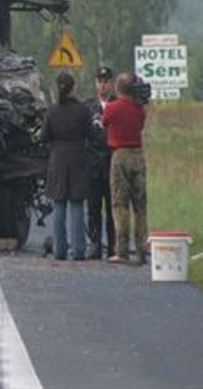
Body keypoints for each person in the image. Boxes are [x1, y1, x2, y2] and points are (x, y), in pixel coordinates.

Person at [40, 72, 94, 261]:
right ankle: (79, 250)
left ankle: (59, 250)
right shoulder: (83, 110)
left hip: (58, 160)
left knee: (59, 203)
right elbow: (91, 134)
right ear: (73, 88)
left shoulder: (52, 111)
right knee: (77, 204)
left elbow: (43, 137)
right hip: (78, 158)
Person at [102, 72, 148, 265]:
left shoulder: (112, 108)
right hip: (138, 155)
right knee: (140, 206)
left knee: (120, 205)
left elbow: (105, 123)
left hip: (119, 155)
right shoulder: (139, 109)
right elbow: (141, 125)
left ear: (117, 88)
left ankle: (121, 250)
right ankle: (141, 250)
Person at [85, 66, 116, 260]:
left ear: (111, 84)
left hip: (112, 160)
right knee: (93, 207)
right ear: (96, 84)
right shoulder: (88, 107)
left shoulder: (118, 105)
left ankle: (113, 246)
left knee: (112, 206)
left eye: (106, 82)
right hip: (94, 162)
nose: (103, 86)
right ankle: (95, 245)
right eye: (100, 82)